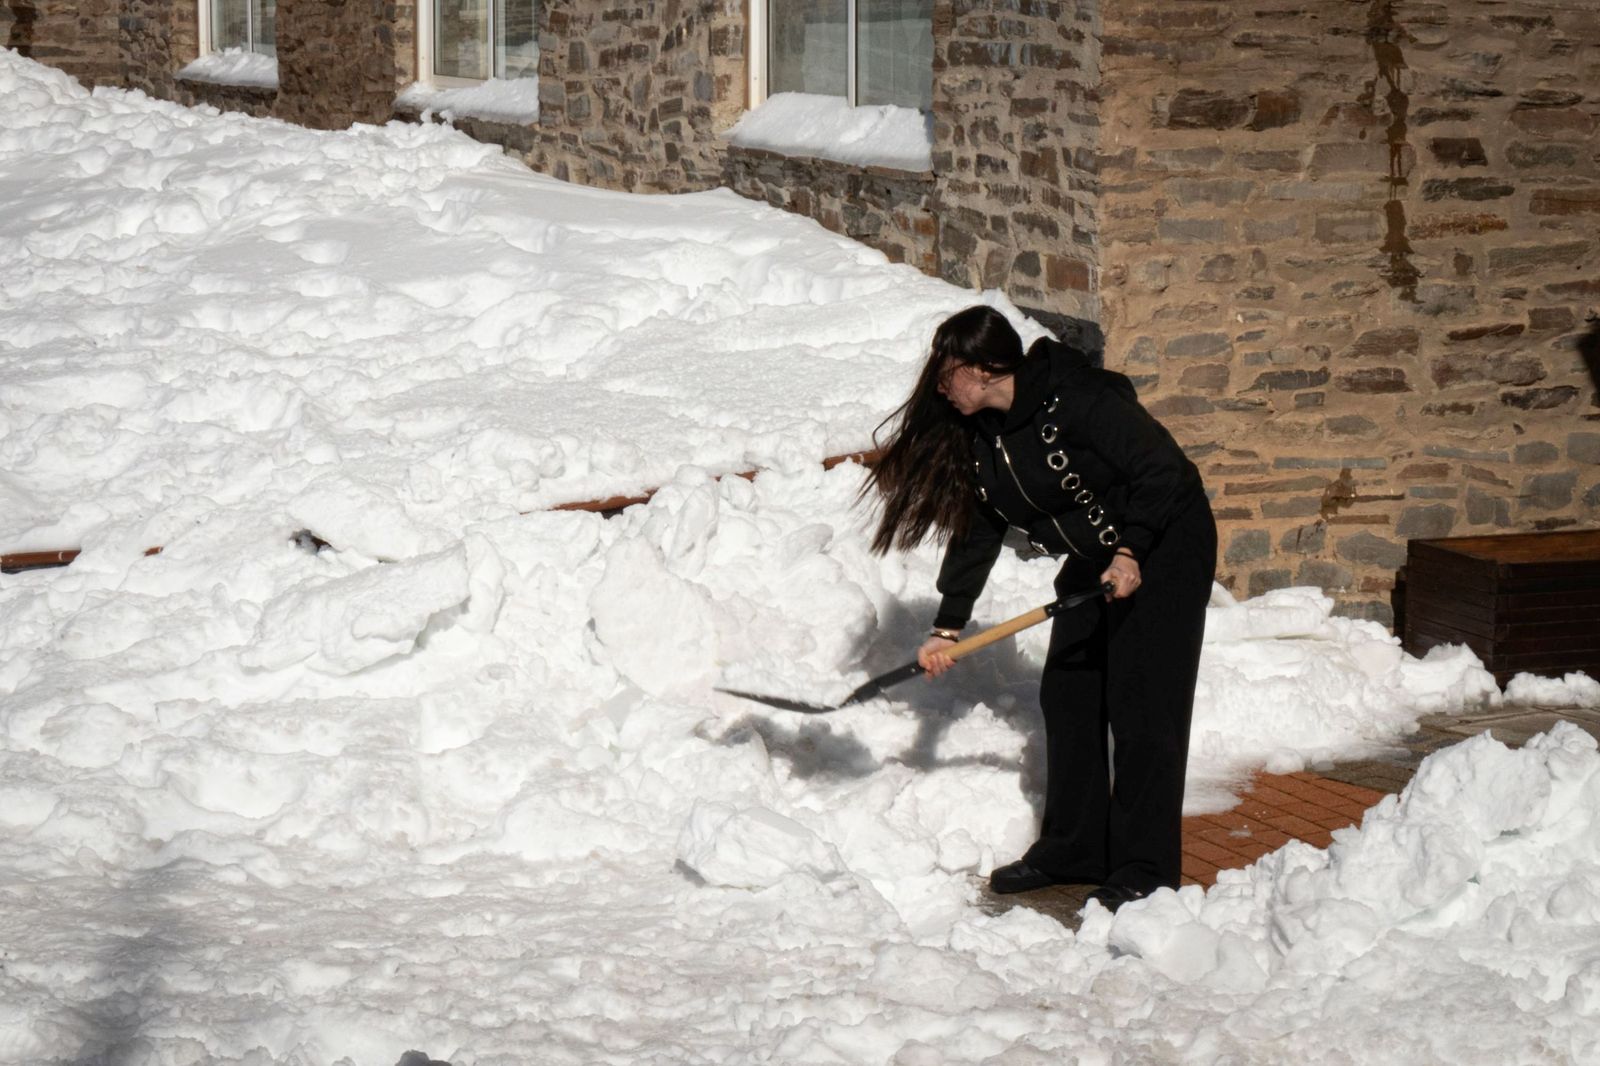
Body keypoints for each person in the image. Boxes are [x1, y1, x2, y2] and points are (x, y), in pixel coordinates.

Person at [862, 304, 1216, 912]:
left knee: (1143, 704)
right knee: (1070, 693)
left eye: (947, 374)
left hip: (1164, 540)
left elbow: (1165, 471)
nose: (940, 388)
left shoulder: (1081, 399)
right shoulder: (982, 434)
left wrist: (1132, 550)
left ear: (982, 368)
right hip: (1098, 554)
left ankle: (1146, 869)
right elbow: (977, 530)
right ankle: (1076, 848)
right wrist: (948, 625)